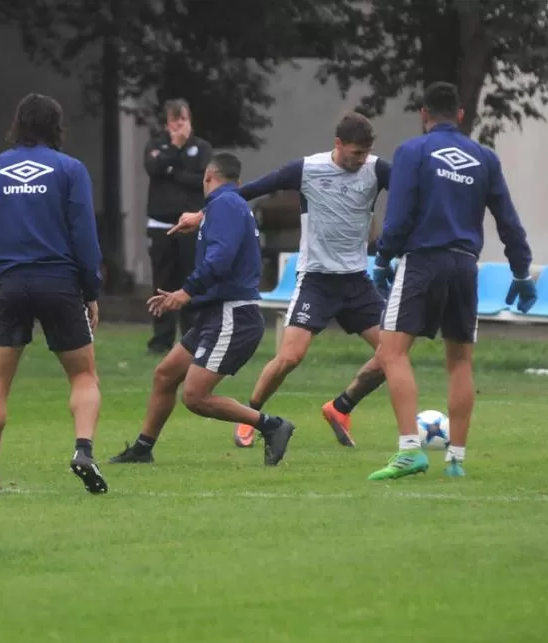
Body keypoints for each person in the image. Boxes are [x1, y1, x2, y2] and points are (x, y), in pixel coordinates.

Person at [170, 112, 392, 450]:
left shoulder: (377, 170)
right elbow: (252, 190)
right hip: (316, 281)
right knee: (289, 357)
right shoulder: (308, 169)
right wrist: (203, 214)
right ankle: (252, 417)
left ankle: (341, 407)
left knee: (392, 355)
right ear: (338, 144)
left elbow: (412, 196)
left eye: (364, 154)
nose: (360, 160)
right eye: (354, 153)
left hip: (357, 282)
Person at [367, 81, 537, 481]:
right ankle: (456, 459)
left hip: (423, 261)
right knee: (459, 361)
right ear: (461, 115)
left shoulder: (413, 151)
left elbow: (401, 213)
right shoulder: (485, 158)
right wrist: (521, 271)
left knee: (392, 352)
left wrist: (383, 258)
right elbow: (508, 220)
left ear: (424, 114)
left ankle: (410, 451)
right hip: (465, 266)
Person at [0, 93, 106, 496]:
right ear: (56, 126)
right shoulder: (70, 170)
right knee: (83, 375)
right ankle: (83, 450)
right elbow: (85, 235)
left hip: (9, 286)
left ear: (17, 124)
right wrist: (92, 289)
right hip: (60, 284)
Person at [108, 153, 295, 467]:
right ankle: (143, 448)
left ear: (208, 176)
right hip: (218, 314)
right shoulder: (229, 204)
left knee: (195, 396)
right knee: (165, 374)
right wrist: (200, 217)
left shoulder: (224, 206)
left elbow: (220, 260)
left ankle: (272, 425)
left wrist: (185, 292)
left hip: (232, 315)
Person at [143, 98, 213, 354]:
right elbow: (154, 167)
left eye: (183, 119)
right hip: (160, 224)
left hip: (191, 225)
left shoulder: (202, 147)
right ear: (167, 123)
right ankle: (161, 341)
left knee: (190, 281)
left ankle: (192, 339)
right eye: (174, 120)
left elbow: (202, 179)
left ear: (189, 120)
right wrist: (175, 148)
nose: (179, 125)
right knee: (162, 281)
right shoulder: (156, 144)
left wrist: (174, 171)